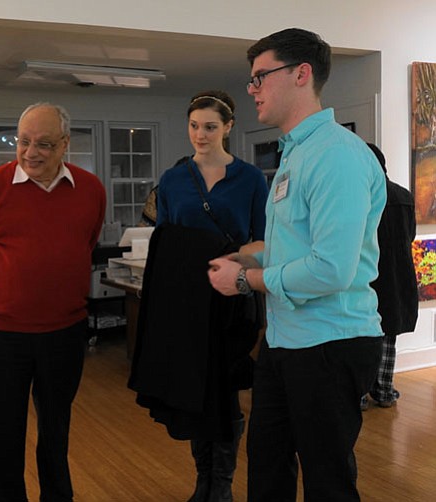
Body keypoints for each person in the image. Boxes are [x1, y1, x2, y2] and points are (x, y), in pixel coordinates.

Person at [208, 28, 387, 501]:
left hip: (332, 343)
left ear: (301, 74)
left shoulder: (336, 156)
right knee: (267, 468)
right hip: (286, 341)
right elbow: (295, 247)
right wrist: (247, 255)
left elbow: (331, 269)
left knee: (327, 480)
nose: (252, 90)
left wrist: (245, 280)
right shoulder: (295, 154)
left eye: (260, 77)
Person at [0, 103, 106, 501]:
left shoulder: (90, 189)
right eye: (23, 141)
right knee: (3, 431)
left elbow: (85, 244)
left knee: (56, 427)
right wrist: (5, 288)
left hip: (65, 329)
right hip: (4, 332)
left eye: (44, 143)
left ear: (65, 145)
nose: (31, 152)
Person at [130, 90, 268, 502]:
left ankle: (221, 485)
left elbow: (262, 240)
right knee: (195, 389)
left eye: (210, 126)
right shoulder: (173, 179)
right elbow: (167, 240)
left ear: (228, 127)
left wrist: (229, 259)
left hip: (232, 296)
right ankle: (202, 482)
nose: (200, 135)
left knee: (224, 389)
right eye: (194, 126)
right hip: (187, 302)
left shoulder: (250, 179)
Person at [361, 143, 418, 410]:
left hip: (371, 273)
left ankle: (360, 393)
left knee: (364, 334)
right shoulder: (404, 195)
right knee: (388, 335)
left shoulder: (363, 197)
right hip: (399, 272)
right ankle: (384, 390)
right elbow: (411, 235)